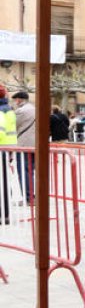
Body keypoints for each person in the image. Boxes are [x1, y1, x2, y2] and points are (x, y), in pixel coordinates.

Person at [11, 92, 35, 201]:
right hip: (36, 144)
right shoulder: (35, 109)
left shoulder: (20, 111)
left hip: (24, 144)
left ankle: (29, 196)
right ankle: (33, 196)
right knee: (32, 170)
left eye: (15, 100)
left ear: (19, 100)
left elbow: (13, 125)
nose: (15, 102)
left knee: (24, 170)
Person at [0, 87, 16, 225]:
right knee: (3, 182)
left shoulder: (1, 111)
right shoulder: (8, 109)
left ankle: (3, 214)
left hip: (2, 148)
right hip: (7, 148)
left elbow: (1, 131)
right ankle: (4, 213)